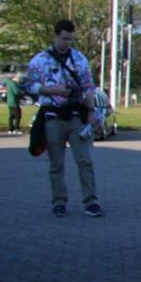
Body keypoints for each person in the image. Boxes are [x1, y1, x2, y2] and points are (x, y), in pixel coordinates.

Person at [26, 19, 102, 217]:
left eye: (70, 39)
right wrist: (51, 90)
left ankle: (91, 201)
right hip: (53, 116)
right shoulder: (40, 60)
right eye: (64, 38)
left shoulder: (79, 59)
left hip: (76, 116)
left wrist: (92, 111)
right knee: (56, 163)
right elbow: (29, 85)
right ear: (55, 36)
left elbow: (88, 86)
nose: (67, 43)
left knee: (85, 160)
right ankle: (59, 201)